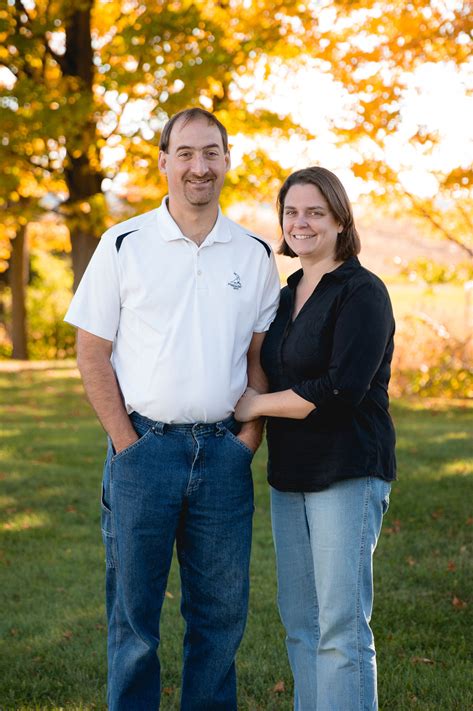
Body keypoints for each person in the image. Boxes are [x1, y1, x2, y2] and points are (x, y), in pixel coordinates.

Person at [64, 107, 280, 711]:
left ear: (227, 160)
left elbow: (260, 359)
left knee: (219, 620)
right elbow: (91, 351)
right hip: (143, 451)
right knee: (133, 623)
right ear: (163, 162)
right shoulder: (123, 243)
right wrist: (126, 443)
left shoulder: (254, 253)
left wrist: (247, 441)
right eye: (185, 153)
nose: (198, 166)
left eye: (211, 152)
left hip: (223, 457)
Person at [235, 166, 396, 711]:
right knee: (301, 626)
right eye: (291, 212)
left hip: (347, 471)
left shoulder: (362, 292)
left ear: (340, 220)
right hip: (290, 475)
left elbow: (339, 388)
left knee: (341, 629)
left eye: (314, 212)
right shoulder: (286, 294)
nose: (300, 223)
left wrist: (254, 405)